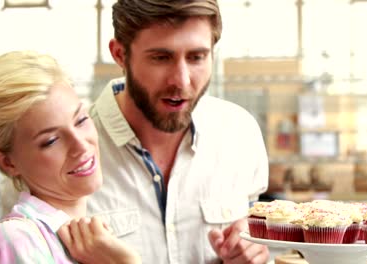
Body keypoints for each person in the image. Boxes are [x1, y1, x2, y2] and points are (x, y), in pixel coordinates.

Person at [86, 0, 270, 263]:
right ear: (119, 55)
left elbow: (257, 241)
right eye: (161, 58)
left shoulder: (240, 134)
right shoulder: (65, 154)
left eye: (197, 57)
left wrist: (252, 253)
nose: (181, 81)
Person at [0, 50, 140, 263]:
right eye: (51, 141)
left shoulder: (94, 237)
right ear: (7, 162)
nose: (81, 145)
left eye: (81, 120)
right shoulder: (16, 239)